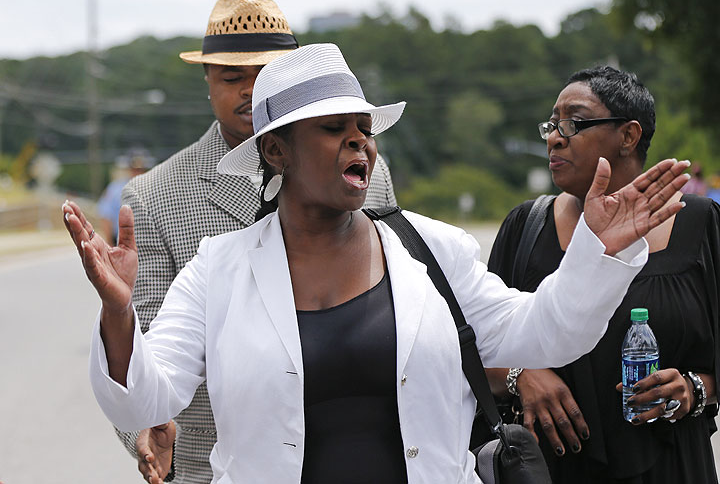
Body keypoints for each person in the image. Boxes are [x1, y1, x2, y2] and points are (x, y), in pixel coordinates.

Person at [63, 44, 688, 484]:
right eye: (334, 128)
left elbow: (547, 332)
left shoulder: (430, 249)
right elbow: (146, 400)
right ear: (276, 151)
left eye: (364, 127)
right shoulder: (219, 270)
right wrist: (118, 311)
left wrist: (598, 254)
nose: (359, 140)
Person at [113, 0, 399, 483]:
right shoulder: (154, 196)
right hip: (217, 462)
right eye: (232, 77)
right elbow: (143, 351)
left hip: (359, 448)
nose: (251, 91)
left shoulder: (363, 171)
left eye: (267, 74)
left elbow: (407, 300)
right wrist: (144, 427)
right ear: (206, 81)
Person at [486, 66, 720, 484]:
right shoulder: (526, 227)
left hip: (671, 465)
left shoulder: (701, 225)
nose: (554, 137)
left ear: (629, 136)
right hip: (549, 468)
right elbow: (468, 346)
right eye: (552, 124)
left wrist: (697, 388)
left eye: (573, 123)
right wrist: (520, 374)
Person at [97, 151, 154, 244]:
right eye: (134, 169)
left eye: (140, 169)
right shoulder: (115, 189)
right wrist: (110, 245)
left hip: (147, 241)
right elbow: (106, 217)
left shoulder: (152, 188)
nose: (137, 173)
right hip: (121, 241)